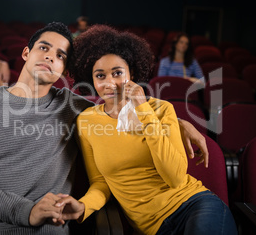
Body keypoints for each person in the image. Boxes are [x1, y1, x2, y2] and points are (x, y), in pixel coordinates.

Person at [0, 22, 210, 234]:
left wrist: (177, 122)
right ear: (26, 53)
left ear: (64, 69)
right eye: (44, 48)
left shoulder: (73, 107)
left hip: (49, 230)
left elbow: (118, 110)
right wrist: (26, 212)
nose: (51, 56)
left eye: (61, 55)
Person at [56, 25, 236, 235]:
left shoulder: (161, 110)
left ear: (131, 73)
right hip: (152, 228)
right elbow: (101, 183)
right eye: (100, 76)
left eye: (117, 73)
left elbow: (175, 178)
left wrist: (143, 110)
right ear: (92, 80)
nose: (109, 83)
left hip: (194, 205)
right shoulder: (86, 122)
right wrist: (84, 206)